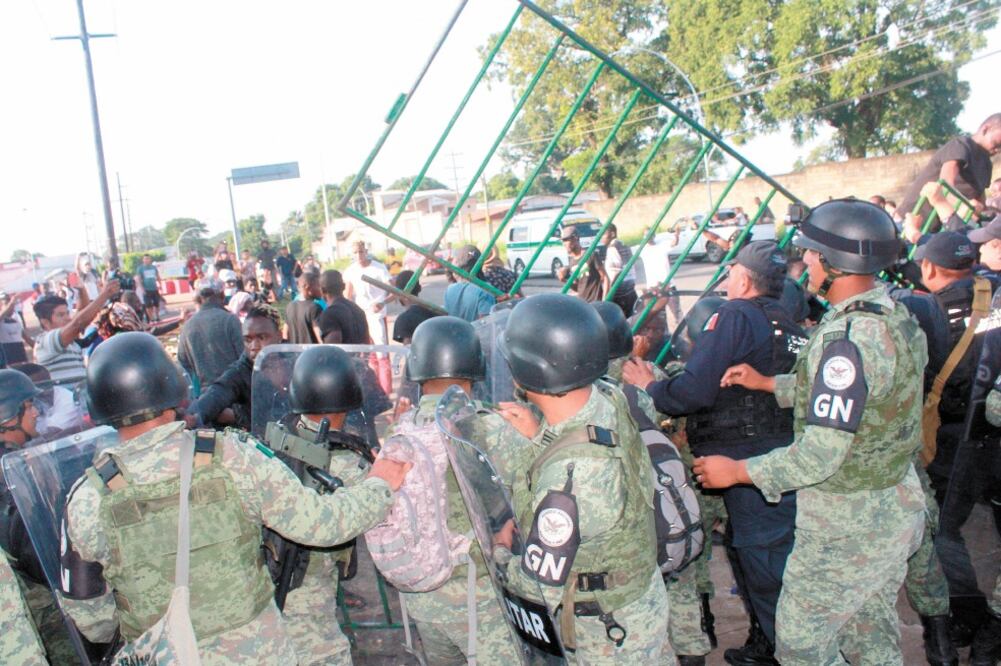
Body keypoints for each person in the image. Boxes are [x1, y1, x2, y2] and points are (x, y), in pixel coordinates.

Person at [58, 332, 410, 663]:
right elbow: (321, 525)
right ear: (176, 389)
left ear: (96, 408)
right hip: (256, 651)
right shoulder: (233, 457)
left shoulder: (87, 498)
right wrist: (378, 484)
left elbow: (90, 617)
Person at [693, 199, 927, 665]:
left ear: (836, 264)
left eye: (814, 255)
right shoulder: (892, 314)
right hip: (893, 503)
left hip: (849, 523)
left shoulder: (847, 340)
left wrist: (738, 471)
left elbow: (820, 455)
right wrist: (769, 383)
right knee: (869, 635)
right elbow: (870, 397)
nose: (807, 263)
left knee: (800, 644)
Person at [623, 241, 805, 666]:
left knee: (766, 570)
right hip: (775, 460)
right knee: (765, 559)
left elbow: (693, 391)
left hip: (741, 462)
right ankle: (768, 645)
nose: (726, 281)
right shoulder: (790, 323)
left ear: (743, 279)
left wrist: (651, 386)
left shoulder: (735, 314)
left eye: (730, 274)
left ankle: (788, 652)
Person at [496, 293, 671, 663]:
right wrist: (539, 436)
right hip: (641, 592)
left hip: (608, 631)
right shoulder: (608, 395)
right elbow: (582, 437)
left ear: (524, 370)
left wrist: (497, 558)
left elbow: (538, 585)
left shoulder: (568, 480)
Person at [383, 316, 526, 664]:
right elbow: (529, 497)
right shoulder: (488, 426)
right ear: (476, 366)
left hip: (421, 596)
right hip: (480, 602)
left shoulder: (401, 430)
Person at [914, 231, 1001, 643]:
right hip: (993, 427)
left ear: (929, 268)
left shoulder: (929, 311)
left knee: (944, 528)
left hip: (956, 438)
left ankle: (972, 617)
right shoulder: (996, 290)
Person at [271, 345, 377, 665]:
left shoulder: (279, 438)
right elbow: (386, 498)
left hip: (268, 590)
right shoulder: (346, 463)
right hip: (307, 599)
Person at [0, 370, 76, 663]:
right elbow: (36, 556)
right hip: (39, 610)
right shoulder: (8, 478)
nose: (35, 412)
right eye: (29, 405)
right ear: (7, 418)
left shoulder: (16, 462)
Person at [186, 305, 283, 430]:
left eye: (262, 337)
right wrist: (193, 417)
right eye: (248, 339)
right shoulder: (240, 372)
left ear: (279, 336)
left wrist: (236, 416)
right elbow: (218, 392)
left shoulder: (295, 359)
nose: (254, 346)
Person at [897, 113, 1001, 217]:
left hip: (943, 226)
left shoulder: (987, 165)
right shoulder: (961, 145)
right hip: (913, 218)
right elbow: (945, 185)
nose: (998, 150)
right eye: (997, 144)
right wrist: (965, 206)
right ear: (985, 129)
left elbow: (980, 203)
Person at [32, 279, 119, 384]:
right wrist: (105, 295)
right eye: (61, 315)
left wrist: (82, 291)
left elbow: (82, 312)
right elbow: (78, 323)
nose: (68, 318)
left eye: (67, 313)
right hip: (65, 400)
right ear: (45, 322)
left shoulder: (68, 340)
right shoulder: (46, 341)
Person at [344, 241, 392, 392]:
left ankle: (386, 390)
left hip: (377, 315)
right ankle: (375, 390)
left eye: (360, 252)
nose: (359, 255)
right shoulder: (351, 271)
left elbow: (394, 291)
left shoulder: (378, 268)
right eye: (355, 253)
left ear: (366, 251)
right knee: (368, 354)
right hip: (361, 316)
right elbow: (347, 295)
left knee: (382, 354)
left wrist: (382, 303)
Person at [177, 286, 244, 393]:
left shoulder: (187, 326)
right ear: (221, 298)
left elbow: (183, 361)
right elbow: (244, 354)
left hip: (207, 392)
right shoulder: (230, 320)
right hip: (234, 388)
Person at [444, 245, 496, 321]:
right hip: (474, 332)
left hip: (455, 331)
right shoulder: (486, 289)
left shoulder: (450, 289)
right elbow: (485, 323)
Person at [318, 269, 369, 345]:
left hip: (342, 357)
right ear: (344, 286)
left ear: (322, 290)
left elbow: (333, 349)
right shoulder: (358, 310)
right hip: (360, 356)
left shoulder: (329, 314)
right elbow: (366, 344)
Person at [557, 226, 607, 302]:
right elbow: (578, 287)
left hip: (596, 301)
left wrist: (604, 300)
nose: (564, 244)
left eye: (566, 240)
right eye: (563, 241)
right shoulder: (572, 261)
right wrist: (564, 280)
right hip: (583, 303)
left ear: (576, 238)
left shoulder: (590, 255)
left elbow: (605, 277)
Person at [391, 271, 439, 344]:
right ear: (420, 288)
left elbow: (408, 350)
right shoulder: (436, 312)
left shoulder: (403, 320)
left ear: (399, 294)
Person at [602, 223, 638, 315]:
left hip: (619, 294)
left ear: (613, 234)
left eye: (604, 233)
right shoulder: (624, 245)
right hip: (630, 290)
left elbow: (616, 274)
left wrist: (608, 296)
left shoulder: (612, 248)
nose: (601, 237)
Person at [284, 272, 323, 344]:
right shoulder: (314, 308)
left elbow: (285, 334)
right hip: (311, 353)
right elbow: (319, 336)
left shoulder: (290, 306)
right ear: (308, 287)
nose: (321, 289)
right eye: (318, 286)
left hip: (295, 353)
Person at [0, 292, 32, 366]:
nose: (11, 307)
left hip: (20, 352)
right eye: (6, 304)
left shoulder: (16, 319)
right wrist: (12, 302)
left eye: (12, 305)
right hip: (7, 354)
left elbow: (26, 337)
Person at [136, 253, 162, 323]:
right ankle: (151, 319)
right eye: (145, 259)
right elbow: (139, 279)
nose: (147, 260)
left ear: (150, 259)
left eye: (148, 259)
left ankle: (157, 317)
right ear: (143, 260)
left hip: (154, 288)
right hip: (146, 289)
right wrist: (142, 289)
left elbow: (158, 276)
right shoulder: (140, 268)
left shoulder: (153, 267)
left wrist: (160, 285)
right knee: (148, 305)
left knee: (156, 303)